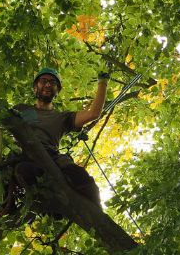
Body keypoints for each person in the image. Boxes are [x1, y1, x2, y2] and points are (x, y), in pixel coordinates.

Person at [8, 66, 108, 217]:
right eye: (43, 81)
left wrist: (102, 83)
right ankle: (49, 205)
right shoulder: (20, 110)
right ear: (35, 87)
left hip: (52, 157)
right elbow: (0, 126)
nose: (48, 84)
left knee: (84, 181)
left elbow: (93, 113)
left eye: (52, 82)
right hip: (25, 155)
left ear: (57, 90)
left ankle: (100, 219)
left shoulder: (62, 118)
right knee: (23, 170)